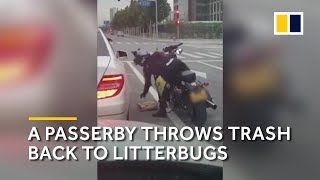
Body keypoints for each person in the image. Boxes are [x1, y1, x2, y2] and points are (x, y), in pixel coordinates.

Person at [132, 49, 190, 117]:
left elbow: (148, 83)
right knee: (187, 78)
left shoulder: (147, 68)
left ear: (142, 59)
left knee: (161, 91)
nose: (139, 64)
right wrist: (172, 52)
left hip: (170, 74)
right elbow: (171, 55)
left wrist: (144, 92)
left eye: (139, 62)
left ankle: (162, 112)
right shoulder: (157, 54)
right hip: (180, 65)